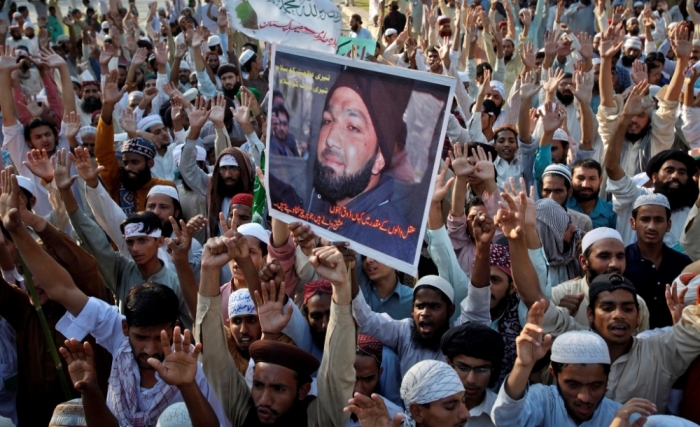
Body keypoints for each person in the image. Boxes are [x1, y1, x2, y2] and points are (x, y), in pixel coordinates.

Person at [0, 169, 227, 426]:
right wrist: (17, 230)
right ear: (124, 326)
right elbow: (61, 288)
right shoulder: (115, 330)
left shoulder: (190, 365)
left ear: (175, 328)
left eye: (159, 338)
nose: (150, 350)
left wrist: (187, 386)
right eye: (140, 337)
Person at [196, 234, 356, 426]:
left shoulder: (317, 420)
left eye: (278, 389)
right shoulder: (246, 413)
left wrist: (341, 288)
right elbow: (213, 357)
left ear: (303, 391)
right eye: (258, 385)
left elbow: (338, 372)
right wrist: (208, 271)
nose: (264, 400)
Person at [270, 69, 418, 263]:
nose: (331, 139)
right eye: (328, 120)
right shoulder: (316, 201)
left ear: (379, 158)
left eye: (353, 127)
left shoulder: (389, 244)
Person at [493, 314, 656, 426]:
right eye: (573, 384)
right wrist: (522, 366)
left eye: (595, 386)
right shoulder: (543, 400)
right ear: (554, 373)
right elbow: (506, 420)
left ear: (607, 378)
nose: (585, 397)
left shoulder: (625, 418)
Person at [550, 227, 651, 332]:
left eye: (620, 256)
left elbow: (639, 346)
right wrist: (561, 318)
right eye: (604, 256)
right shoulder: (558, 297)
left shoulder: (637, 304)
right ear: (584, 262)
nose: (614, 264)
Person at [624, 194, 691, 328]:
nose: (652, 226)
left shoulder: (682, 263)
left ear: (668, 225)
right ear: (633, 223)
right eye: (645, 219)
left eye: (659, 220)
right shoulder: (621, 260)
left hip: (672, 340)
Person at [441, 322, 505, 426]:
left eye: (482, 370)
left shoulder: (503, 413)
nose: (471, 380)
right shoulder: (429, 406)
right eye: (463, 368)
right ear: (448, 363)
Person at [539, 164, 593, 232]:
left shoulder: (583, 222)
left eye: (558, 191)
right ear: (541, 191)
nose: (551, 197)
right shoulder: (532, 220)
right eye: (547, 191)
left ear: (569, 192)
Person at [567, 158, 617, 229]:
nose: (585, 185)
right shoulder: (562, 206)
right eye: (580, 178)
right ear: (571, 180)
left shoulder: (611, 212)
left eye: (592, 179)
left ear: (600, 181)